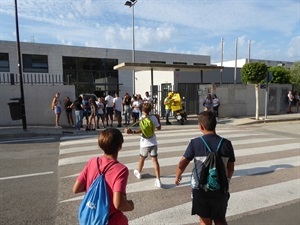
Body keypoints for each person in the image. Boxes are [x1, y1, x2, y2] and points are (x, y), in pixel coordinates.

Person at [175, 111, 235, 225]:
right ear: (215, 125)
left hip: (200, 190)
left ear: (201, 126)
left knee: (204, 220)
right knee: (220, 219)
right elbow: (231, 168)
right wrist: (225, 180)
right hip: (220, 189)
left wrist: (178, 175)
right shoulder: (227, 144)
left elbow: (181, 164)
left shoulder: (195, 143)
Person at [73, 128, 134, 225]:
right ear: (120, 146)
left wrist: (95, 188)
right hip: (110, 220)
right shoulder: (121, 170)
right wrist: (130, 205)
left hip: (91, 217)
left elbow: (76, 188)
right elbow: (118, 204)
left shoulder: (92, 162)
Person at [129, 103, 162, 188]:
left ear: (142, 110)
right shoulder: (153, 117)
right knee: (155, 161)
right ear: (150, 110)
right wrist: (158, 119)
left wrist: (133, 132)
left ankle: (139, 172)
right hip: (153, 141)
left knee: (142, 159)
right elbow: (159, 128)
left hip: (144, 143)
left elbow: (141, 130)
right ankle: (158, 179)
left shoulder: (141, 119)